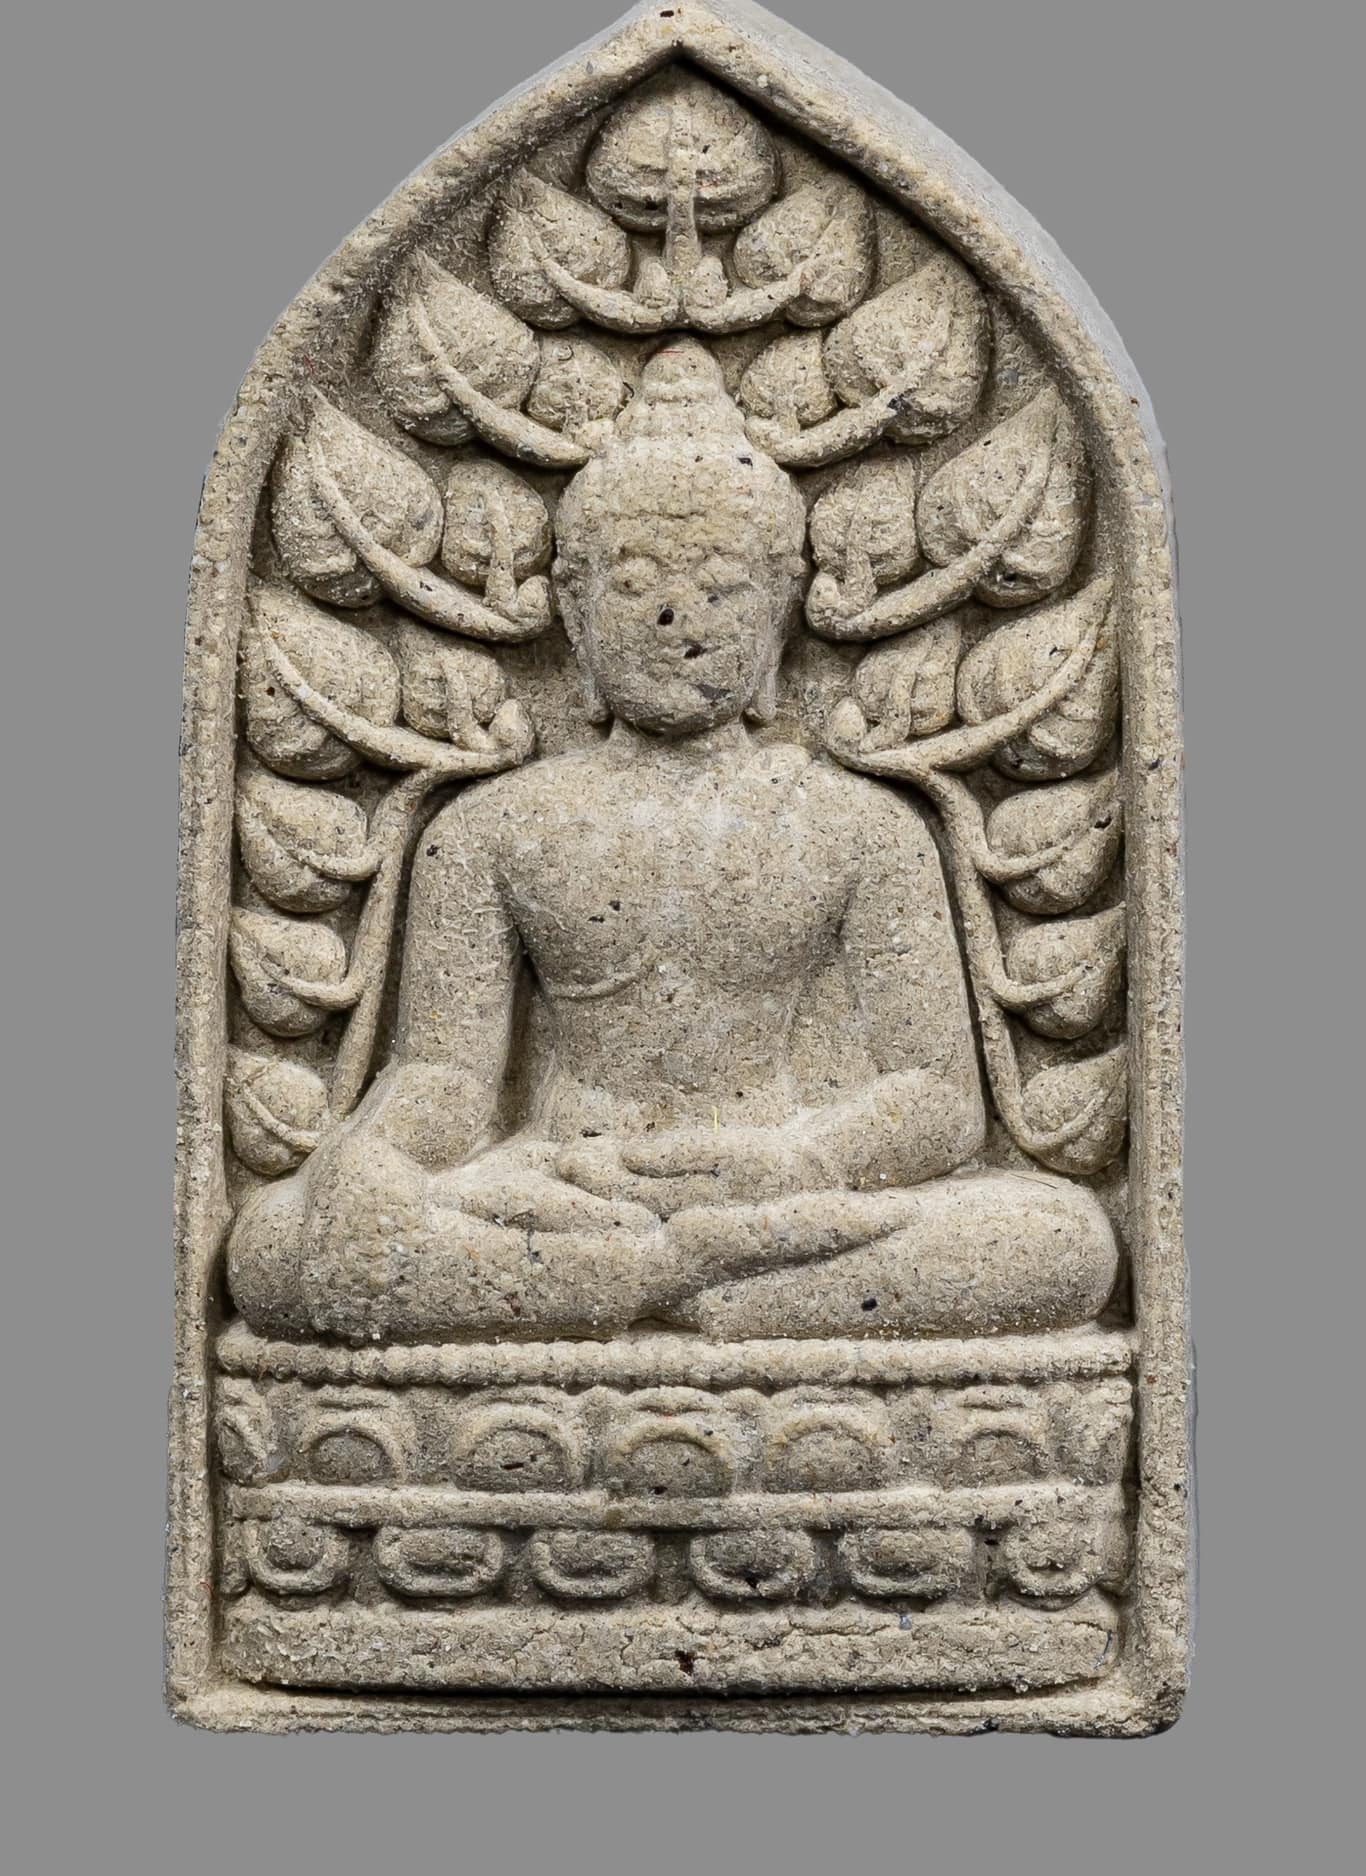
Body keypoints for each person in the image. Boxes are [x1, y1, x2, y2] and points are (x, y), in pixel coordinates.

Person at [230, 344, 1117, 1344]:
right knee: (271, 1248)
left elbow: (939, 1098)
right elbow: (447, 1080)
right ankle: (691, 1289)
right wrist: (377, 1160)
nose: (674, 617)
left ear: (782, 612)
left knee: (1063, 1241)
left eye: (723, 588)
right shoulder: (488, 828)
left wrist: (797, 1161)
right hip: (562, 1186)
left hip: (776, 1191)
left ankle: (620, 1292)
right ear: (572, 612)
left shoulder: (861, 827)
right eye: (633, 584)